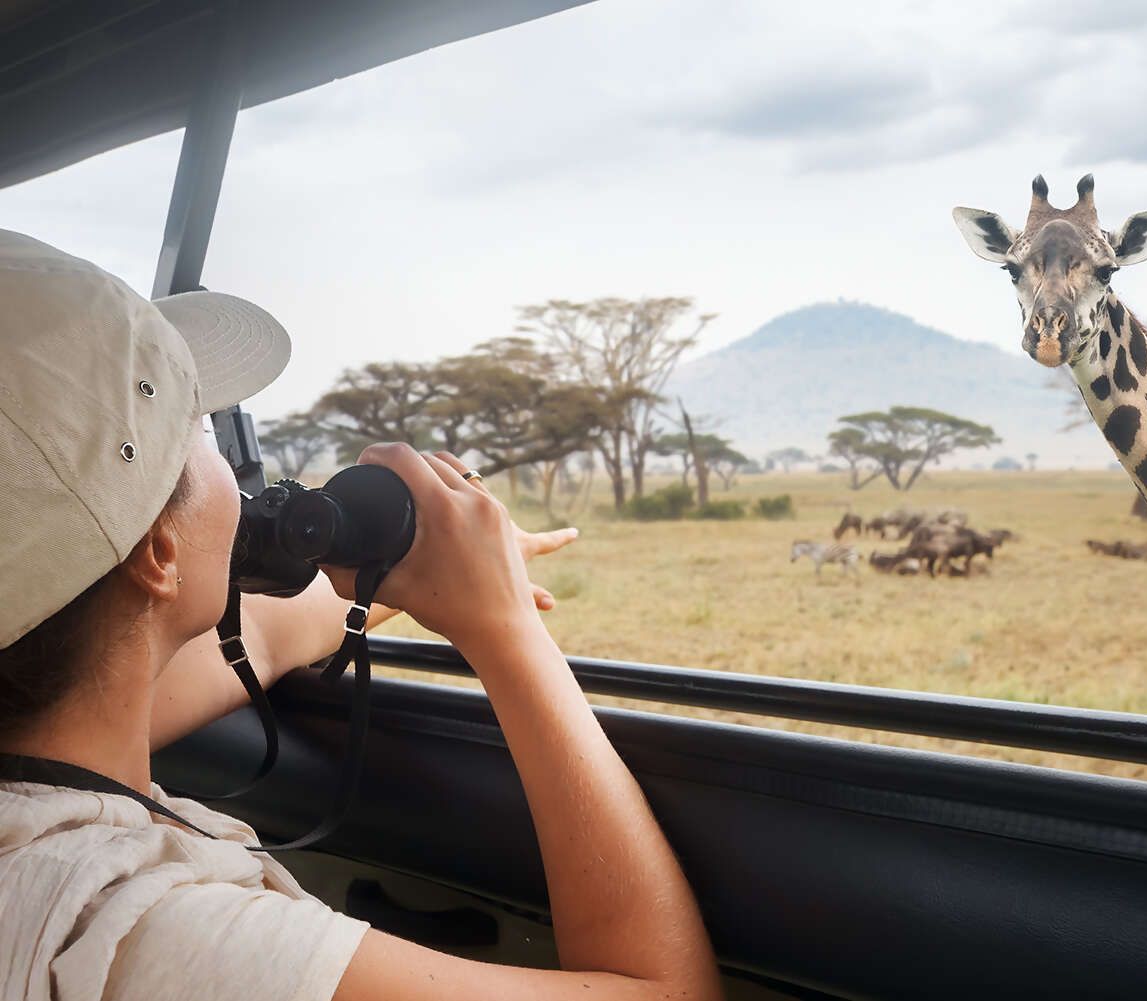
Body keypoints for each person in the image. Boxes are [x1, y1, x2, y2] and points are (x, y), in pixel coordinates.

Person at [0, 229, 724, 1001]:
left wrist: (409, 573)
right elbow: (671, 990)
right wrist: (506, 630)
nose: (237, 474)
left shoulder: (49, 732)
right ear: (158, 553)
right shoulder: (152, 936)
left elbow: (272, 636)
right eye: (200, 429)